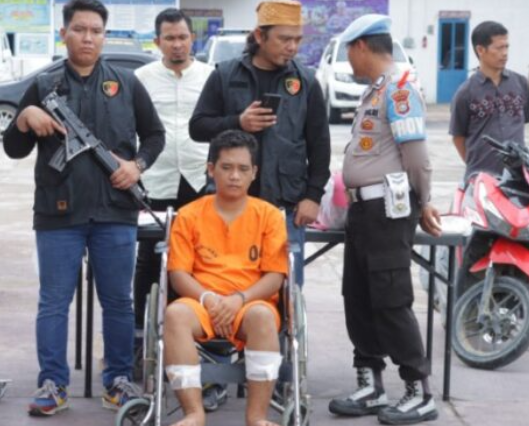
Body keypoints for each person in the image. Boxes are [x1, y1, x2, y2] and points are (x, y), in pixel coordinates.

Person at [2, 0, 164, 416]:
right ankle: (53, 383)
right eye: (79, 29)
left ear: (104, 36)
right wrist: (24, 118)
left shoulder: (126, 83)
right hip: (58, 212)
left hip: (115, 210)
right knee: (54, 301)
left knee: (118, 302)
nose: (88, 38)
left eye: (95, 31)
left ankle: (118, 381)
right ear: (64, 34)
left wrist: (136, 166)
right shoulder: (44, 86)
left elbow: (154, 135)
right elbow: (14, 149)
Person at [327, 14, 442, 425]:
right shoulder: (375, 90)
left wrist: (424, 201)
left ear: (362, 47)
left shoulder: (400, 89)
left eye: (349, 52)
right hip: (362, 210)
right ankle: (371, 383)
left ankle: (419, 392)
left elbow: (417, 157)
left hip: (388, 211)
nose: (349, 61)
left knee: (391, 300)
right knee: (358, 297)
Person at [189, 0, 331, 287]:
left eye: (297, 40)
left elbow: (320, 145)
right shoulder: (225, 74)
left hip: (286, 205)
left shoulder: (305, 82)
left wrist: (313, 196)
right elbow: (198, 127)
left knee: (285, 288)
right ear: (259, 36)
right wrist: (237, 122)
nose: (292, 47)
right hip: (229, 204)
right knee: (226, 283)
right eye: (284, 39)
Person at [164, 129, 288, 426]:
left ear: (254, 173)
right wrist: (210, 300)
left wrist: (238, 300)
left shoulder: (269, 216)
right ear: (211, 169)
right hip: (200, 302)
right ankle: (194, 414)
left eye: (243, 169)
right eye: (227, 167)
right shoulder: (188, 215)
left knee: (262, 317)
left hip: (251, 303)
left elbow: (275, 276)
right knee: (174, 314)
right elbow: (178, 274)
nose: (234, 176)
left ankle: (256, 417)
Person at [132, 8, 224, 409]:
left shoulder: (210, 76)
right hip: (155, 179)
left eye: (183, 37)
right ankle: (141, 344)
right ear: (157, 42)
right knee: (150, 263)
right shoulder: (140, 78)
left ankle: (205, 350)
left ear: (192, 39)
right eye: (169, 38)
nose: (177, 44)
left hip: (200, 181)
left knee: (202, 266)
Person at [450, 21, 529, 183]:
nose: (504, 53)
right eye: (498, 48)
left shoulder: (521, 83)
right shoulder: (465, 93)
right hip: (481, 179)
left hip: (518, 178)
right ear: (480, 50)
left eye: (506, 47)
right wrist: (475, 166)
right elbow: (458, 137)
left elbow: (523, 120)